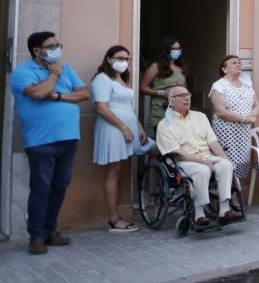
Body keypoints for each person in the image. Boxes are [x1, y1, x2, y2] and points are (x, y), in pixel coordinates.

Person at [11, 32, 91, 255]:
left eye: (58, 45)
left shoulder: (68, 69)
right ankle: (36, 236)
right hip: (40, 141)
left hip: (68, 138)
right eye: (51, 46)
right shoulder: (22, 72)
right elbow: (37, 93)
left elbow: (84, 94)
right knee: (41, 188)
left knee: (60, 186)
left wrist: (56, 96)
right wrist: (54, 75)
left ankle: (50, 230)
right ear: (37, 51)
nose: (57, 49)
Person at [156, 86, 240, 227]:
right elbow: (178, 153)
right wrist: (203, 162)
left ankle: (224, 210)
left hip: (206, 156)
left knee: (226, 165)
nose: (186, 98)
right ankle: (199, 214)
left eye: (187, 94)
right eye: (181, 96)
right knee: (202, 170)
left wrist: (224, 158)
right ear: (171, 100)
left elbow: (213, 142)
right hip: (182, 161)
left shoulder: (200, 117)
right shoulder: (164, 124)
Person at [92, 45, 147, 232]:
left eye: (127, 58)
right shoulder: (102, 79)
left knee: (119, 171)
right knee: (114, 172)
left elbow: (127, 107)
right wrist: (123, 127)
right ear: (108, 59)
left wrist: (138, 126)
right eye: (119, 58)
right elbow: (101, 107)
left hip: (127, 130)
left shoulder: (121, 79)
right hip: (114, 129)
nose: (124, 62)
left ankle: (116, 217)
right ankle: (114, 219)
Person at [210, 55, 259, 181]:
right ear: (224, 69)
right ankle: (228, 196)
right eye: (233, 63)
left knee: (242, 162)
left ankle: (237, 193)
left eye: (239, 62)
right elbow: (221, 111)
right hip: (227, 133)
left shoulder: (247, 84)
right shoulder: (219, 85)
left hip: (243, 133)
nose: (238, 65)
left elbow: (257, 104)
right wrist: (245, 118)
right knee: (227, 163)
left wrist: (252, 116)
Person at [140, 36, 188, 134]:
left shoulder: (181, 68)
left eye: (179, 49)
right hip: (161, 111)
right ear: (166, 50)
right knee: (164, 144)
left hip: (179, 112)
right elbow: (142, 88)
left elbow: (185, 89)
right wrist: (163, 93)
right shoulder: (156, 67)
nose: (177, 51)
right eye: (174, 49)